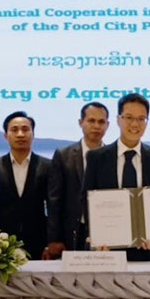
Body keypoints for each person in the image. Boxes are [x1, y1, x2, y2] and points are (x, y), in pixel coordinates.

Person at [82, 92, 150, 261]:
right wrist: (95, 234)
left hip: (149, 251)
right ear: (118, 120)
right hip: (107, 251)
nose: (135, 124)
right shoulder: (97, 158)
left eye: (141, 119)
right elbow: (87, 199)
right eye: (129, 117)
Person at [45, 101, 110, 258]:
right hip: (72, 232)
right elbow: (54, 199)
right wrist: (54, 238)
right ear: (81, 122)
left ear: (108, 125)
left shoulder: (113, 156)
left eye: (101, 122)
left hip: (107, 231)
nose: (96, 126)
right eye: (91, 121)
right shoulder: (64, 155)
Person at [0, 111, 50, 258]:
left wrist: (51, 242)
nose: (20, 134)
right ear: (6, 136)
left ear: (33, 134)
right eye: (14, 130)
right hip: (0, 244)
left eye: (25, 129)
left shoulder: (48, 166)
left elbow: (54, 207)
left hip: (39, 242)